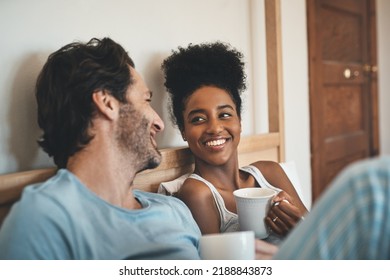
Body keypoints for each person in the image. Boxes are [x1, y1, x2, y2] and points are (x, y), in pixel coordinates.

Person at [0, 38, 201, 260]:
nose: (160, 123)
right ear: (107, 103)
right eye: (146, 100)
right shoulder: (43, 219)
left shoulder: (175, 211)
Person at [160, 42, 308, 238]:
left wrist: (300, 227)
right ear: (184, 131)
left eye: (224, 115)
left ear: (239, 121)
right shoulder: (198, 193)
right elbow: (222, 268)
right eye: (198, 119)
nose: (214, 128)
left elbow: (318, 235)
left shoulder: (270, 172)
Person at [257, 155, 390, 259]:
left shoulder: (269, 171)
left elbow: (308, 225)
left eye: (234, 117)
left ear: (241, 125)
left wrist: (297, 227)